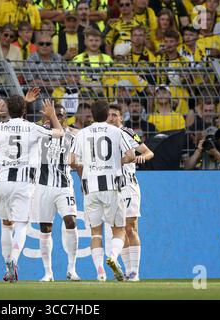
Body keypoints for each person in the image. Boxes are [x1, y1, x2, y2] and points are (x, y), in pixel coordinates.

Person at [0, 96, 64, 283]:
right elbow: (59, 132)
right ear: (24, 111)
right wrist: (52, 115)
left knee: (6, 224)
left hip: (3, 180)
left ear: (6, 110)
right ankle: (13, 260)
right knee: (22, 224)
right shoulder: (33, 127)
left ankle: (7, 265)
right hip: (24, 181)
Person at [70, 100, 136, 281]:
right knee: (118, 230)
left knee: (95, 232)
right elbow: (131, 155)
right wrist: (116, 162)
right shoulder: (117, 132)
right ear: (107, 114)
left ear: (91, 114)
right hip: (112, 186)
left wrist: (88, 165)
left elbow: (71, 161)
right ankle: (113, 257)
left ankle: (100, 272)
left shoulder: (82, 133)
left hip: (90, 187)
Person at [31, 104, 80, 282]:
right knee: (45, 228)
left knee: (71, 221)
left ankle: (72, 269)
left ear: (65, 117)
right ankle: (48, 273)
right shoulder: (39, 133)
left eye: (59, 115)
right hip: (43, 186)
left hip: (64, 185)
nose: (56, 118)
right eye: (53, 115)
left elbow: (76, 161)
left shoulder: (73, 136)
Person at [107, 104, 154, 281]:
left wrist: (142, 156)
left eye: (115, 115)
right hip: (112, 187)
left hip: (128, 185)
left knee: (130, 227)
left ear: (121, 117)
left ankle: (134, 272)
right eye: (109, 115)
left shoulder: (127, 133)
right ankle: (127, 271)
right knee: (119, 229)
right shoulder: (103, 133)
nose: (111, 118)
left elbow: (149, 152)